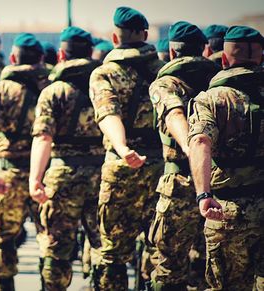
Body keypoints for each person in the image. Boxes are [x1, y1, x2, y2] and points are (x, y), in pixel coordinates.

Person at [88, 7, 165, 290]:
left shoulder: (105, 74)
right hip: (163, 167)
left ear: (114, 37)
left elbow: (107, 114)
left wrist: (121, 147)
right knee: (160, 251)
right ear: (145, 35)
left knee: (113, 253)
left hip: (121, 167)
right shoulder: (163, 72)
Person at [188, 25, 264, 291]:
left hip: (228, 209)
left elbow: (199, 141)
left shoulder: (211, 99)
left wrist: (203, 194)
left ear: (223, 59)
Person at [147, 21, 219, 290]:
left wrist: (192, 150)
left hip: (180, 182)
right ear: (204, 49)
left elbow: (173, 113)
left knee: (169, 267)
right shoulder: (218, 78)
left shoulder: (165, 83)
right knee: (208, 264)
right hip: (218, 182)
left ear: (172, 52)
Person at [29, 26, 102, 291]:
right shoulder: (104, 85)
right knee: (104, 247)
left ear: (61, 54)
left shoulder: (53, 91)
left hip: (63, 173)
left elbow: (43, 137)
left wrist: (35, 179)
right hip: (102, 173)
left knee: (57, 247)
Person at [0, 33, 50, 290]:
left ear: (12, 58)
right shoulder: (52, 85)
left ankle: (5, 285)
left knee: (2, 236)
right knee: (49, 237)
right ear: (42, 58)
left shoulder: (0, 90)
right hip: (45, 173)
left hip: (9, 173)